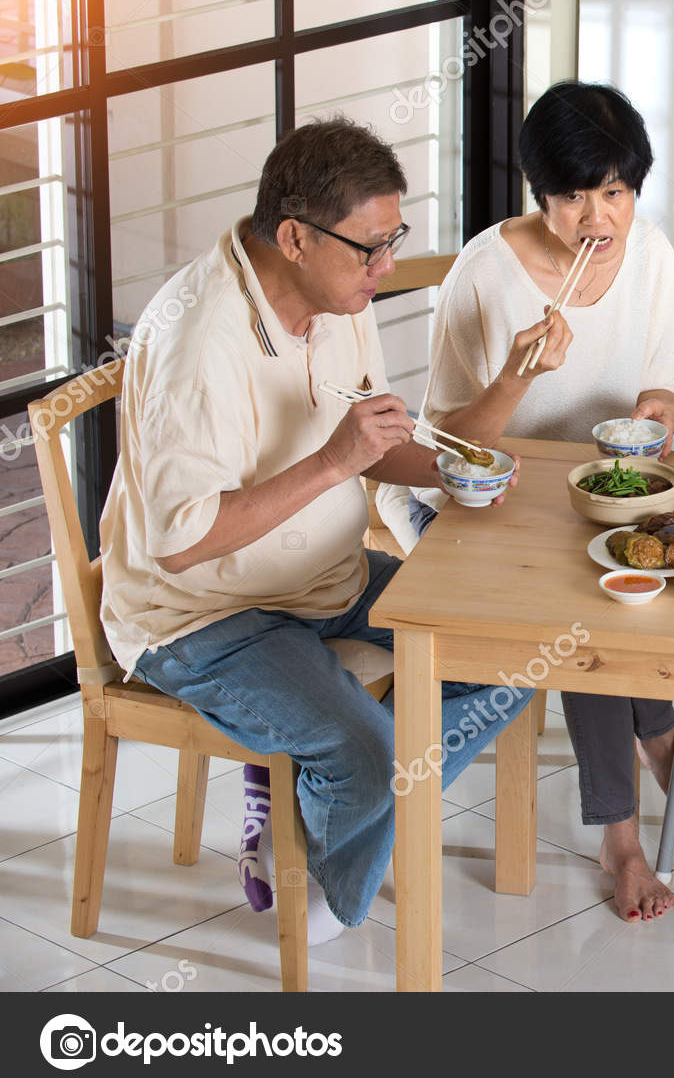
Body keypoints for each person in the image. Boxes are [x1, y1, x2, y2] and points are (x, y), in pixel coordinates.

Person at [98, 117, 533, 943]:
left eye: (393, 240)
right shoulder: (197, 340)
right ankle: (335, 850)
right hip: (198, 616)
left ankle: (319, 793)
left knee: (508, 646)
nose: (387, 267)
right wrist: (335, 463)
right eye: (370, 248)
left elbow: (371, 449)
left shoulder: (338, 298)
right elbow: (181, 542)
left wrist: (454, 471)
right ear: (295, 238)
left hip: (324, 577)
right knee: (369, 756)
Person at [379, 81, 674, 923]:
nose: (596, 218)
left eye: (614, 191)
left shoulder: (651, 252)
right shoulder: (484, 274)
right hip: (478, 501)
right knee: (586, 598)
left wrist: (661, 409)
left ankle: (656, 735)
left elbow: (659, 379)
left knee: (654, 553)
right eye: (573, 196)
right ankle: (621, 831)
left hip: (594, 489)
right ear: (539, 193)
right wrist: (516, 375)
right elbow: (442, 449)